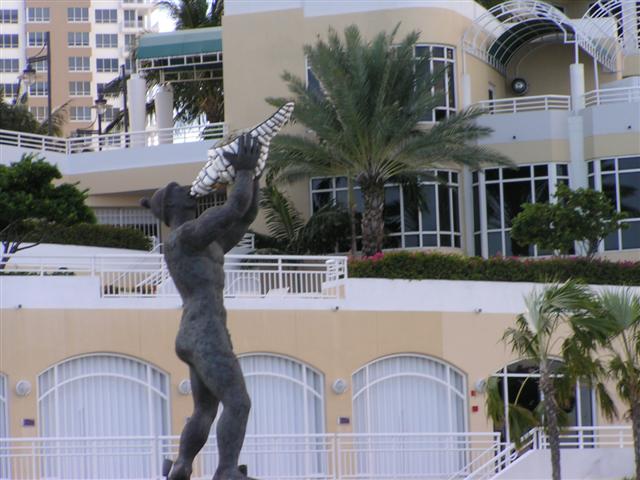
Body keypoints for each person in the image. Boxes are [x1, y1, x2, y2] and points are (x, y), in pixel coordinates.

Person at [141, 133, 260, 480]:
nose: (187, 189)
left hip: (198, 331)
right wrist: (243, 170)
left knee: (205, 411)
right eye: (178, 190)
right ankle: (226, 470)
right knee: (238, 402)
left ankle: (181, 465)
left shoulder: (206, 242)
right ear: (172, 207)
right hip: (204, 330)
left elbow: (245, 215)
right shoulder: (186, 236)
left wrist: (254, 174)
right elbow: (233, 207)